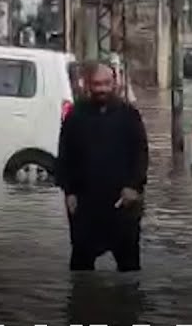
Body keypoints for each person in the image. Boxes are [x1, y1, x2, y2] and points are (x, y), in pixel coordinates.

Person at [56, 61, 150, 273]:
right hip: (86, 203)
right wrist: (69, 191)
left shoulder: (129, 115)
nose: (102, 89)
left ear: (114, 83)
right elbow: (65, 155)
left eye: (106, 83)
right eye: (97, 84)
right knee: (81, 265)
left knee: (129, 266)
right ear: (88, 85)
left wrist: (133, 186)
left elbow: (141, 154)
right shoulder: (76, 115)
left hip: (122, 202)